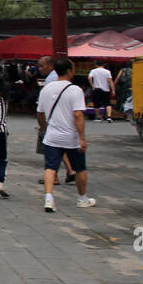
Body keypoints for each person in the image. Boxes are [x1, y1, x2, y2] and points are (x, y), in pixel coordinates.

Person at [37, 57, 97, 213]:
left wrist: (44, 129)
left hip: (52, 136)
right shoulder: (75, 90)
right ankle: (82, 198)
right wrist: (82, 137)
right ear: (70, 70)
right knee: (80, 168)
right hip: (71, 137)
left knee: (50, 167)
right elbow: (78, 114)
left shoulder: (46, 89)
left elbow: (40, 113)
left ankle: (49, 198)